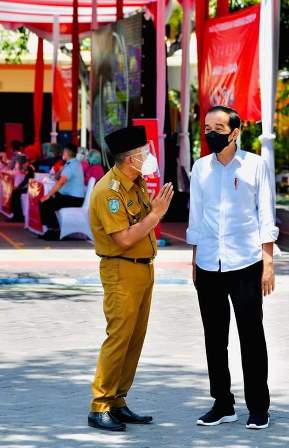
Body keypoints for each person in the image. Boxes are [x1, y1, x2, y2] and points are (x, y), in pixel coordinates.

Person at [187, 105, 279, 430]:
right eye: (207, 126)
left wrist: (268, 262)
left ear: (235, 132)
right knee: (215, 337)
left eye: (218, 127)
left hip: (246, 262)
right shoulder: (200, 169)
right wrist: (195, 260)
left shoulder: (255, 165)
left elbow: (266, 215)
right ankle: (223, 403)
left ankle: (259, 406)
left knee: (251, 335)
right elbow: (195, 218)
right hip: (209, 262)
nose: (211, 132)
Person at [88, 125, 174, 432]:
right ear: (129, 159)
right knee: (118, 338)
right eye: (143, 153)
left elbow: (141, 219)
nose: (148, 157)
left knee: (134, 339)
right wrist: (157, 214)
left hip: (142, 268)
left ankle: (118, 401)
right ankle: (99, 405)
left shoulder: (134, 184)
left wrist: (154, 211)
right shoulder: (109, 192)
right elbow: (123, 239)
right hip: (120, 268)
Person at [39, 143, 85, 240]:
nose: (62, 153)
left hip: (74, 199)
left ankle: (54, 230)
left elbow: (60, 183)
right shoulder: (70, 163)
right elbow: (56, 177)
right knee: (45, 202)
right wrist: (61, 169)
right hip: (68, 196)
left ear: (67, 153)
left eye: (64, 151)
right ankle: (51, 229)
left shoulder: (72, 166)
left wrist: (48, 195)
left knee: (46, 203)